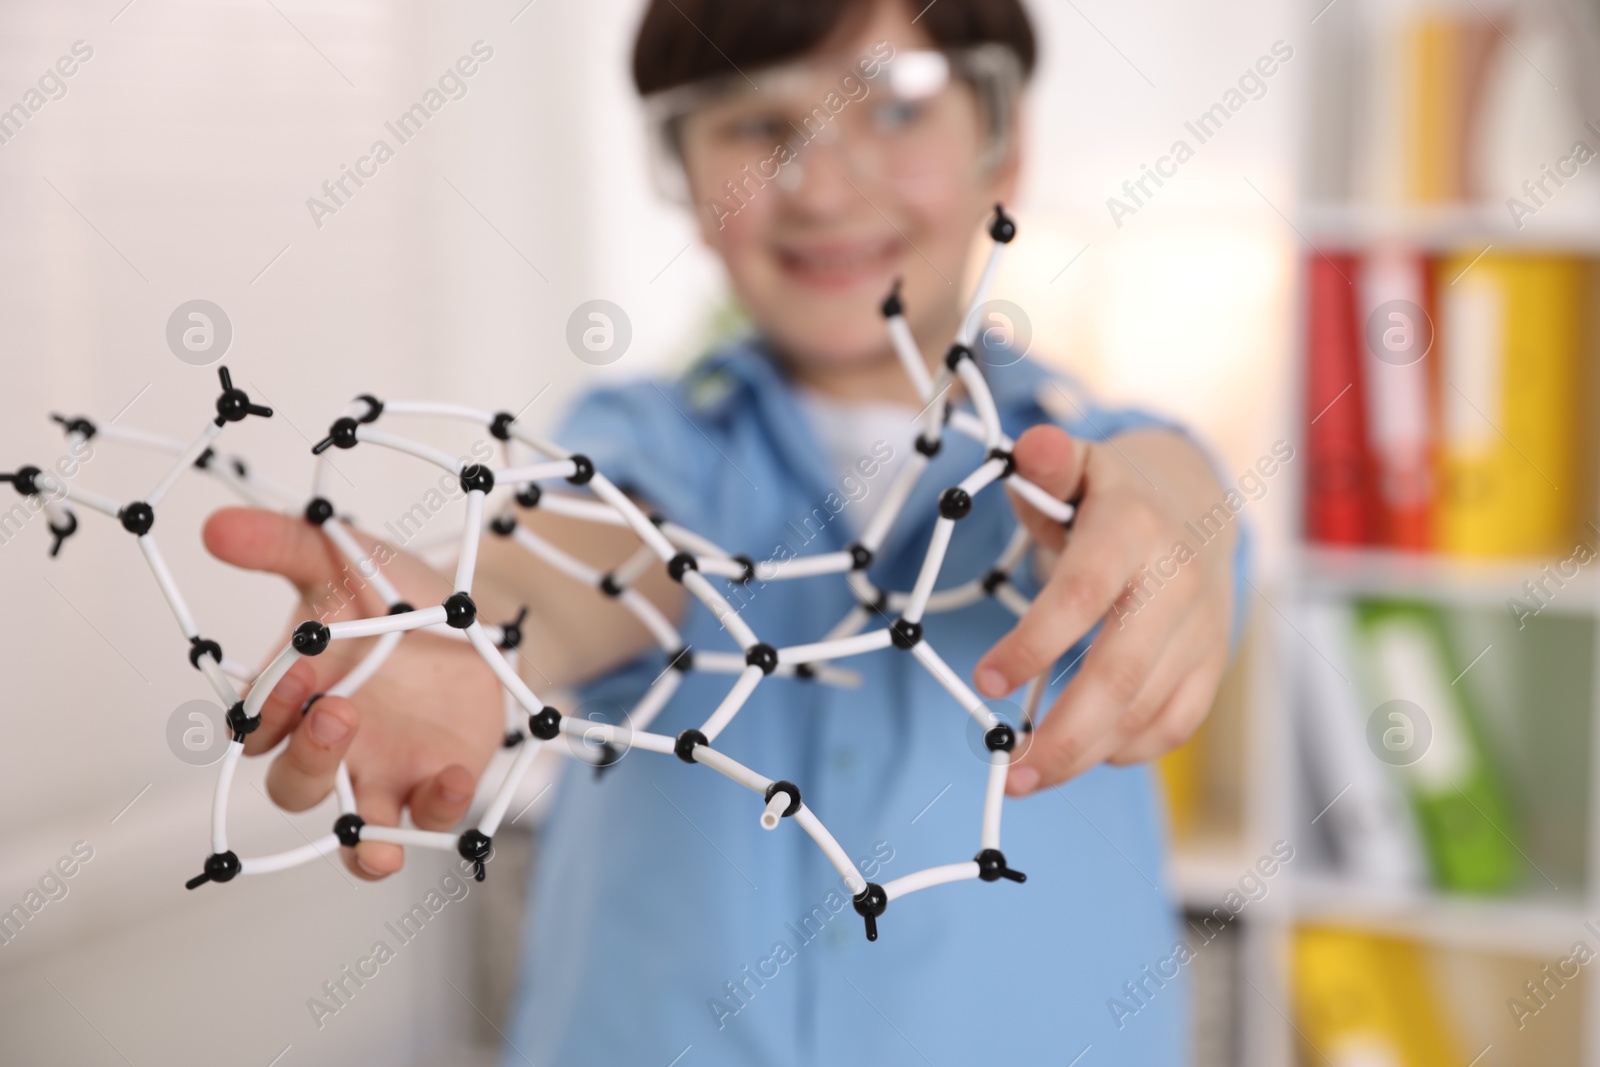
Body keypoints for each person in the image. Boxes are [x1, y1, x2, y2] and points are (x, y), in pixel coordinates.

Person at [202, 0, 1244, 1062]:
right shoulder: (644, 445)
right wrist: (462, 621)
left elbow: (1168, 506)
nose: (823, 186)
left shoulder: (1101, 455)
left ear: (1001, 141)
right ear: (688, 183)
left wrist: (1164, 513)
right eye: (754, 126)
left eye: (893, 108)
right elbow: (592, 558)